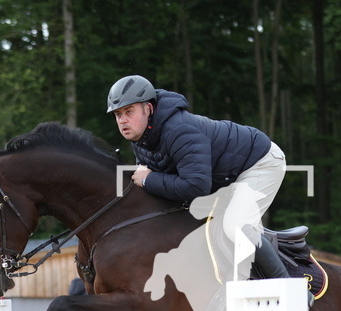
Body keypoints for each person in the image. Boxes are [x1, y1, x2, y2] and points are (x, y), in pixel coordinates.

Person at [106, 74, 290, 281]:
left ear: (148, 108)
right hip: (225, 179)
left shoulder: (179, 130)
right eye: (117, 115)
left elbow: (196, 186)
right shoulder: (142, 140)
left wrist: (149, 180)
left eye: (128, 112)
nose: (122, 120)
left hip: (260, 162)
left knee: (235, 225)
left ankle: (289, 287)